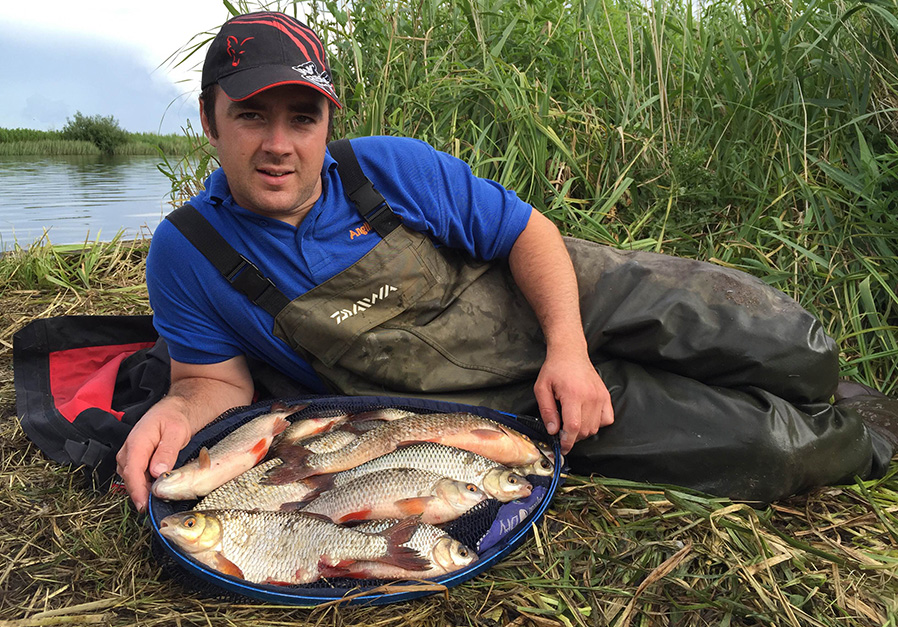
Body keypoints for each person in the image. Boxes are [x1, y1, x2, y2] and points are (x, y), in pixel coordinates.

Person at [116, 11, 896, 512]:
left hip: (558, 294)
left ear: (328, 121)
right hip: (494, 397)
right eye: (251, 116)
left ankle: (840, 388)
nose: (279, 143)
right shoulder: (189, 252)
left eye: (301, 116)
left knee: (790, 339)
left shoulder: (385, 168)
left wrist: (569, 348)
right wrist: (175, 413)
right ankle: (867, 437)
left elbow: (528, 234)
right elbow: (211, 382)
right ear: (210, 121)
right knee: (762, 449)